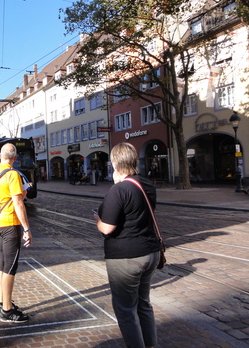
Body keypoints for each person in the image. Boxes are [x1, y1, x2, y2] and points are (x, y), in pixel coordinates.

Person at [93, 142, 161, 348]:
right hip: (150, 253)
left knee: (125, 310)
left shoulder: (119, 189)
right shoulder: (146, 184)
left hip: (126, 258)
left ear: (115, 164)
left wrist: (97, 219)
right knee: (143, 304)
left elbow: (107, 228)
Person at [0, 143, 32, 323]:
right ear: (15, 157)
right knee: (10, 267)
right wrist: (27, 228)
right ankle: (7, 309)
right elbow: (18, 203)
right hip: (9, 224)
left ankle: (2, 301)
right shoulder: (12, 174)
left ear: (0, 156)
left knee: (1, 264)